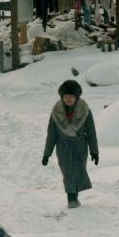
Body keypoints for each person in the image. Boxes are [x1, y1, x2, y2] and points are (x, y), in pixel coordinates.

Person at [42, 80, 99, 208]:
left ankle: (75, 197)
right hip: (63, 148)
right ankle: (71, 199)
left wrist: (94, 151)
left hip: (80, 147)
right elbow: (51, 135)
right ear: (62, 97)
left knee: (79, 171)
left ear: (76, 97)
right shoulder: (56, 112)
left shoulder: (85, 111)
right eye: (66, 97)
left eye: (71, 97)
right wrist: (47, 154)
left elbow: (91, 133)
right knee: (68, 173)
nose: (68, 99)